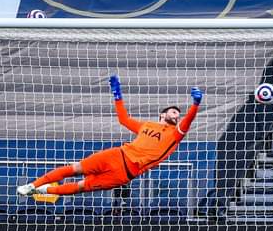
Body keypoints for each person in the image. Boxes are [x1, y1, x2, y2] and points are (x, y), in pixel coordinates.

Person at [17, 75, 202, 196]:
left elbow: (188, 120)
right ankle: (33, 185)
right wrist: (117, 95)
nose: (176, 115)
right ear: (162, 114)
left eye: (178, 114)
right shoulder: (146, 126)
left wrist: (195, 104)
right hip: (117, 154)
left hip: (125, 173)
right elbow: (123, 119)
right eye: (172, 112)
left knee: (81, 187)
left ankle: (41, 190)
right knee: (75, 168)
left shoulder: (176, 134)